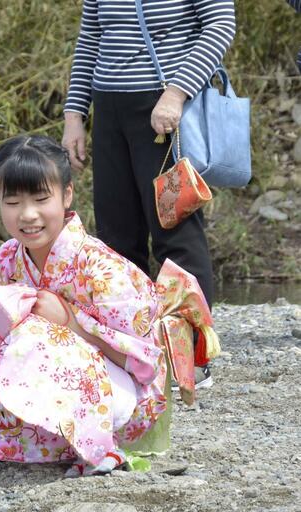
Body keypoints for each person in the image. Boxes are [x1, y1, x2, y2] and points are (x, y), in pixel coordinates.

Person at [0, 135, 169, 476]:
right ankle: (21, 440)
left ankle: (99, 448)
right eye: (13, 202)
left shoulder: (101, 267)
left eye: (40, 198)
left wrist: (70, 323)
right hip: (56, 385)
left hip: (124, 399)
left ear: (67, 195)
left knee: (35, 334)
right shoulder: (8, 258)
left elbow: (144, 365)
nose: (28, 214)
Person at [62, 0, 235, 386]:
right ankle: (131, 352)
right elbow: (91, 37)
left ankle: (190, 357)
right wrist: (75, 115)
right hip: (109, 110)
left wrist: (177, 93)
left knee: (176, 236)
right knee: (116, 240)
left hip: (165, 111)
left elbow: (221, 25)